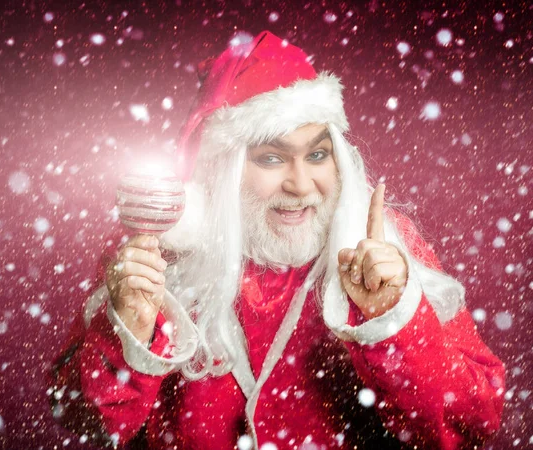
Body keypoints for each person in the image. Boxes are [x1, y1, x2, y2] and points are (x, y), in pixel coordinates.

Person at [48, 31, 505, 449]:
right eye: (271, 158)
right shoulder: (155, 254)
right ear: (222, 170)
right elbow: (85, 419)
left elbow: (475, 421)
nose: (301, 184)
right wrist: (129, 327)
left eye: (318, 154)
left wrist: (393, 321)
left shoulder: (385, 252)